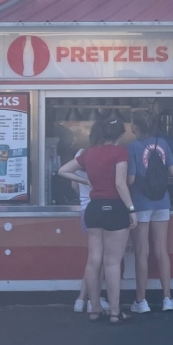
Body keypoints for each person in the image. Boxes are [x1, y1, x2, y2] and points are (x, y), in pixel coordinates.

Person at [58, 118, 137, 325]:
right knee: (112, 262)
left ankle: (94, 309)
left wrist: (85, 181)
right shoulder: (120, 152)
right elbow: (121, 184)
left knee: (94, 260)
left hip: (93, 209)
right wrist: (131, 209)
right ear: (120, 135)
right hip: (115, 208)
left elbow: (63, 170)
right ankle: (114, 312)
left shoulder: (89, 153)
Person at [127, 110, 173, 313]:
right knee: (161, 250)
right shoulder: (163, 143)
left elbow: (130, 179)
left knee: (142, 252)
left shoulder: (132, 147)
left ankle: (141, 301)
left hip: (140, 203)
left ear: (136, 127)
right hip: (162, 202)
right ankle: (167, 298)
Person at [72, 121, 110, 314]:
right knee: (100, 259)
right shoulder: (108, 155)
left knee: (93, 258)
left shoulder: (81, 154)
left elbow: (73, 186)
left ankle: (82, 299)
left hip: (85, 208)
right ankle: (90, 300)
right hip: (102, 208)